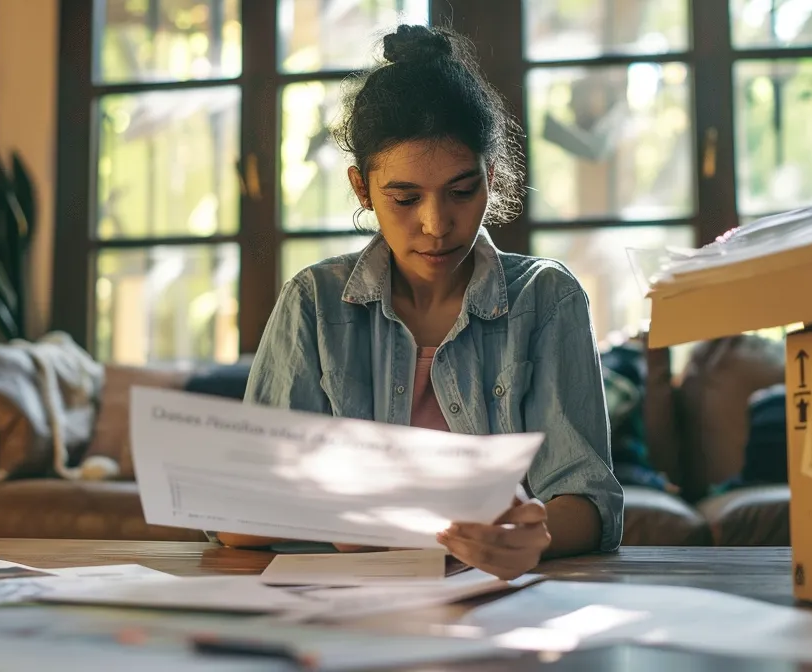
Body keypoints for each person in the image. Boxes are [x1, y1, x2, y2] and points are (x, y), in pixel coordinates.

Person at [217, 25, 623, 580]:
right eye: (404, 198)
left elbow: (589, 497)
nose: (436, 225)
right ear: (362, 189)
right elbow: (234, 516)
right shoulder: (314, 303)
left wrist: (533, 536)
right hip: (344, 608)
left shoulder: (546, 298)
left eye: (461, 192)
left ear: (492, 178)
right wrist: (337, 511)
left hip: (496, 600)